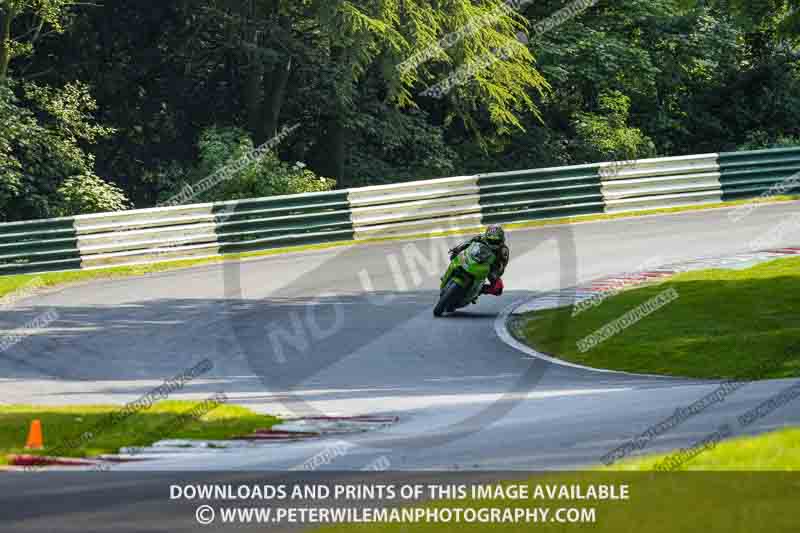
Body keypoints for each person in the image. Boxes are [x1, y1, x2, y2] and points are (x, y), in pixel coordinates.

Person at [448, 224, 509, 297]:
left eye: (496, 241)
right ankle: (449, 273)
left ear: (502, 240)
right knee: (454, 256)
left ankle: (478, 290)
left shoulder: (504, 250)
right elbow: (467, 243)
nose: (493, 242)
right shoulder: (480, 237)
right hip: (473, 258)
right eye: (490, 240)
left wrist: (495, 272)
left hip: (488, 267)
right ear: (486, 236)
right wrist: (457, 249)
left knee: (498, 288)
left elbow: (502, 266)